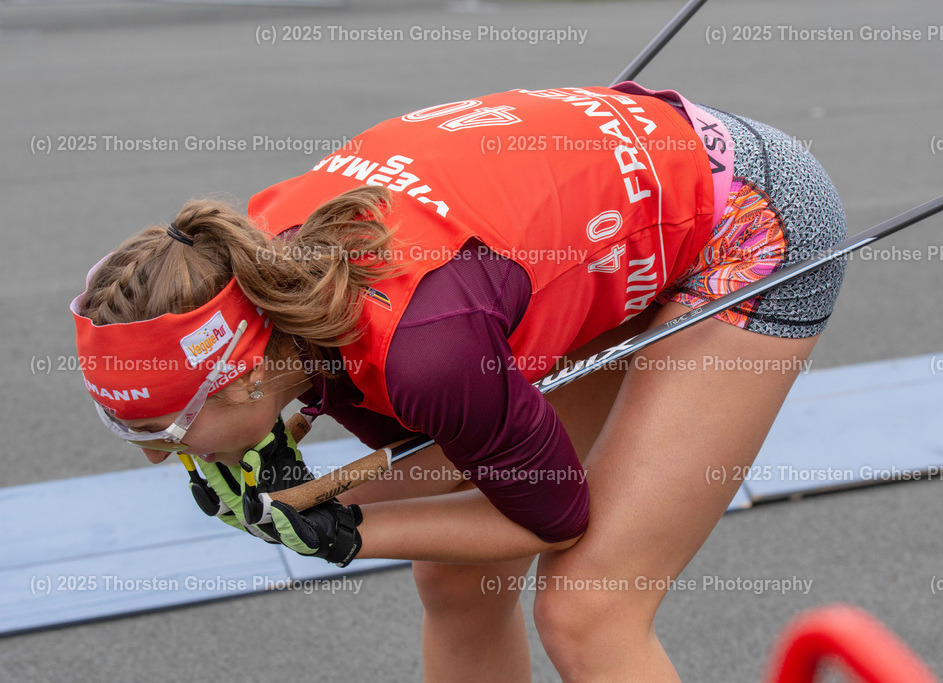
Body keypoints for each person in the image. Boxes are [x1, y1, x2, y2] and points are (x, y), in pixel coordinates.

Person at [71, 82, 846, 681]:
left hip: (748, 223)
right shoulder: (265, 281)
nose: (160, 456)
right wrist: (295, 496)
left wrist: (348, 530)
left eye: (166, 430)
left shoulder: (424, 351)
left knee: (588, 606)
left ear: (242, 380)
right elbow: (450, 462)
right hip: (610, 217)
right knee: (458, 581)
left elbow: (553, 517)